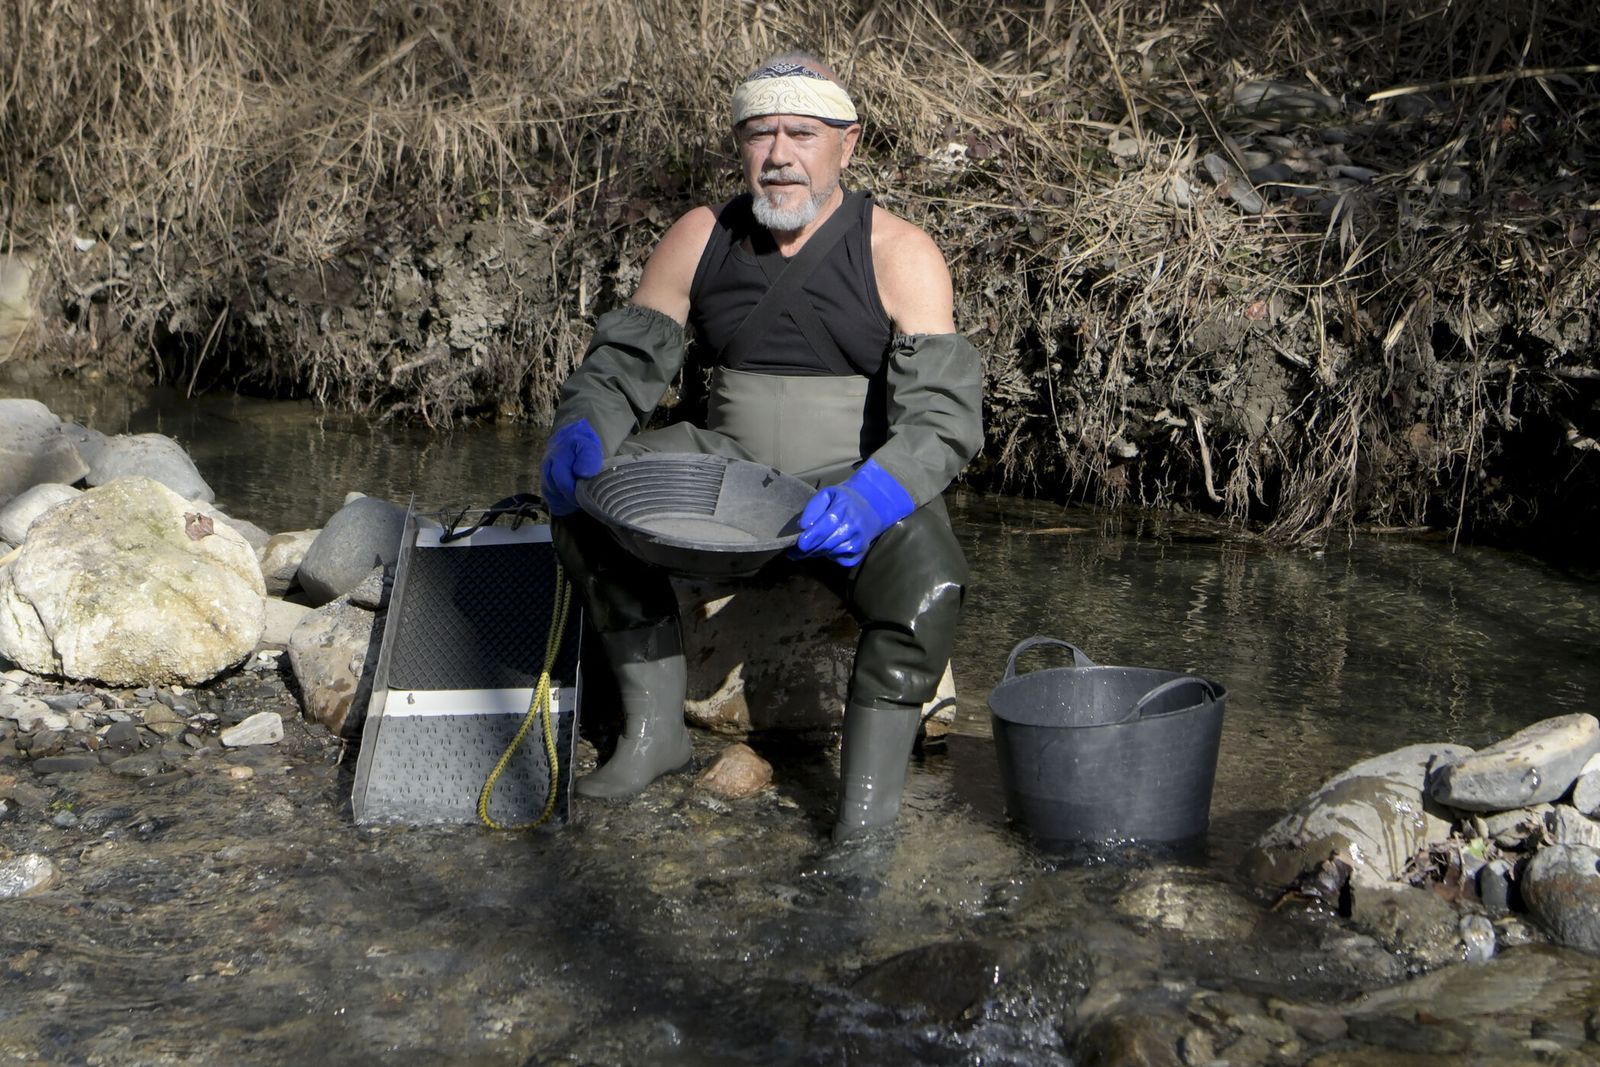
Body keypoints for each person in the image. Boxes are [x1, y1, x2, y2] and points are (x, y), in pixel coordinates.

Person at [538, 52, 983, 841]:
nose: (779, 153)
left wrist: (875, 496)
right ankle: (655, 733)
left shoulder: (900, 252)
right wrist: (583, 429)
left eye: (802, 134)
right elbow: (621, 369)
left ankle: (865, 816)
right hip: (724, 474)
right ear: (740, 145)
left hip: (848, 484)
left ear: (847, 145)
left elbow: (941, 419)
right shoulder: (699, 237)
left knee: (933, 581)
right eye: (760, 133)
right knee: (584, 493)